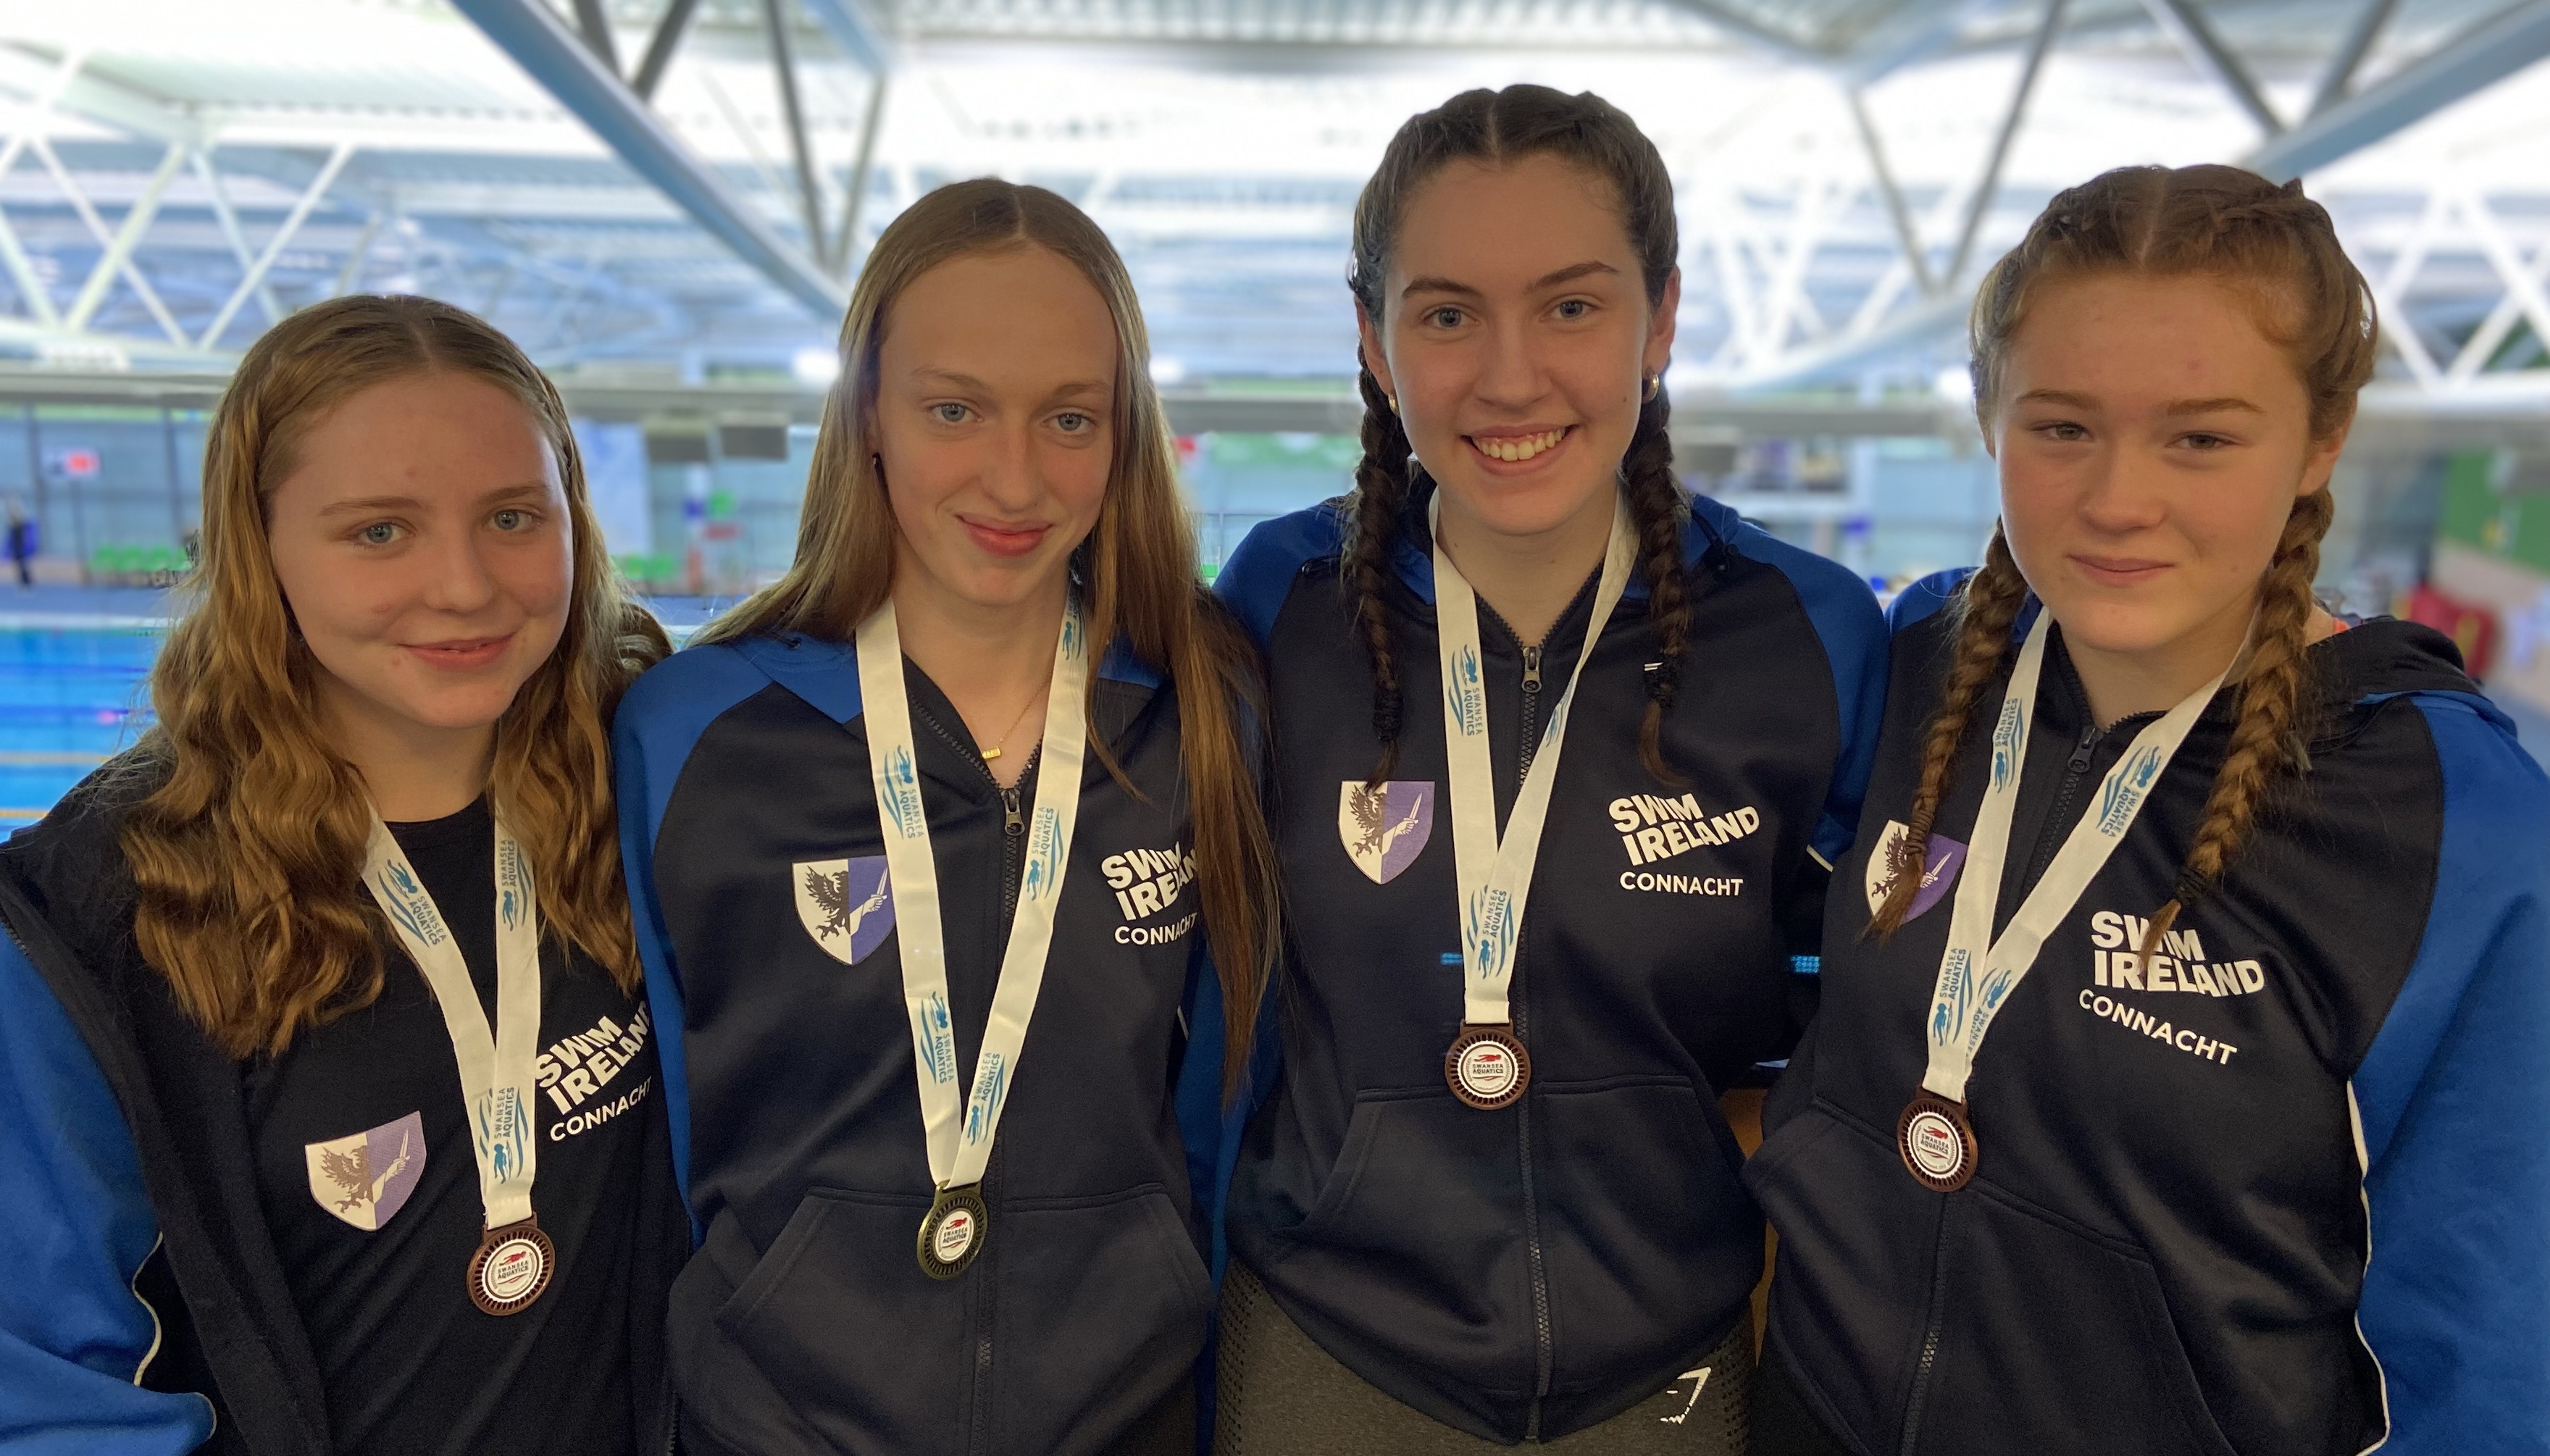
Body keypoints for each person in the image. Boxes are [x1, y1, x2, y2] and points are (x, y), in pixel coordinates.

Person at [1746, 164, 2550, 1456]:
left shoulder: (2452, 823)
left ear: (2322, 440)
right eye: (2063, 427)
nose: (2119, 499)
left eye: (2202, 438)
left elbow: (2492, 1357)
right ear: (1990, 416)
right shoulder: (1920, 668)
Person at [1211, 85, 1887, 1453]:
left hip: (1665, 1354)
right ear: (1373, 340)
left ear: (1663, 318)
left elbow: (1875, 1013)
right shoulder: (1280, 602)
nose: (1511, 379)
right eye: (1448, 314)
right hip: (1331, 1343)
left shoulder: (1801, 631)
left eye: (1571, 306)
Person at [614, 178, 1277, 1456]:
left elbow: (1211, 1119)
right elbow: (662, 1148)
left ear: (1124, 434)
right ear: (869, 412)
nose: (1013, 478)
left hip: (1118, 1418)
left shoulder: (1200, 714)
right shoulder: (694, 735)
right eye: (954, 409)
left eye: (1069, 417)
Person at [0, 294, 683, 1454]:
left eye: (513, 516)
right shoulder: (96, 915)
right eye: (380, 531)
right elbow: (44, 1385)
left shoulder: (651, 788)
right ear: (259, 549)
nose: (464, 585)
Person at [5, 493, 33, 587]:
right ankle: (23, 582)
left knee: (23, 566)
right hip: (16, 547)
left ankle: (27, 582)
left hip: (22, 547)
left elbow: (20, 512)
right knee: (18, 566)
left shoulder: (22, 523)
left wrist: (14, 500)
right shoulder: (12, 525)